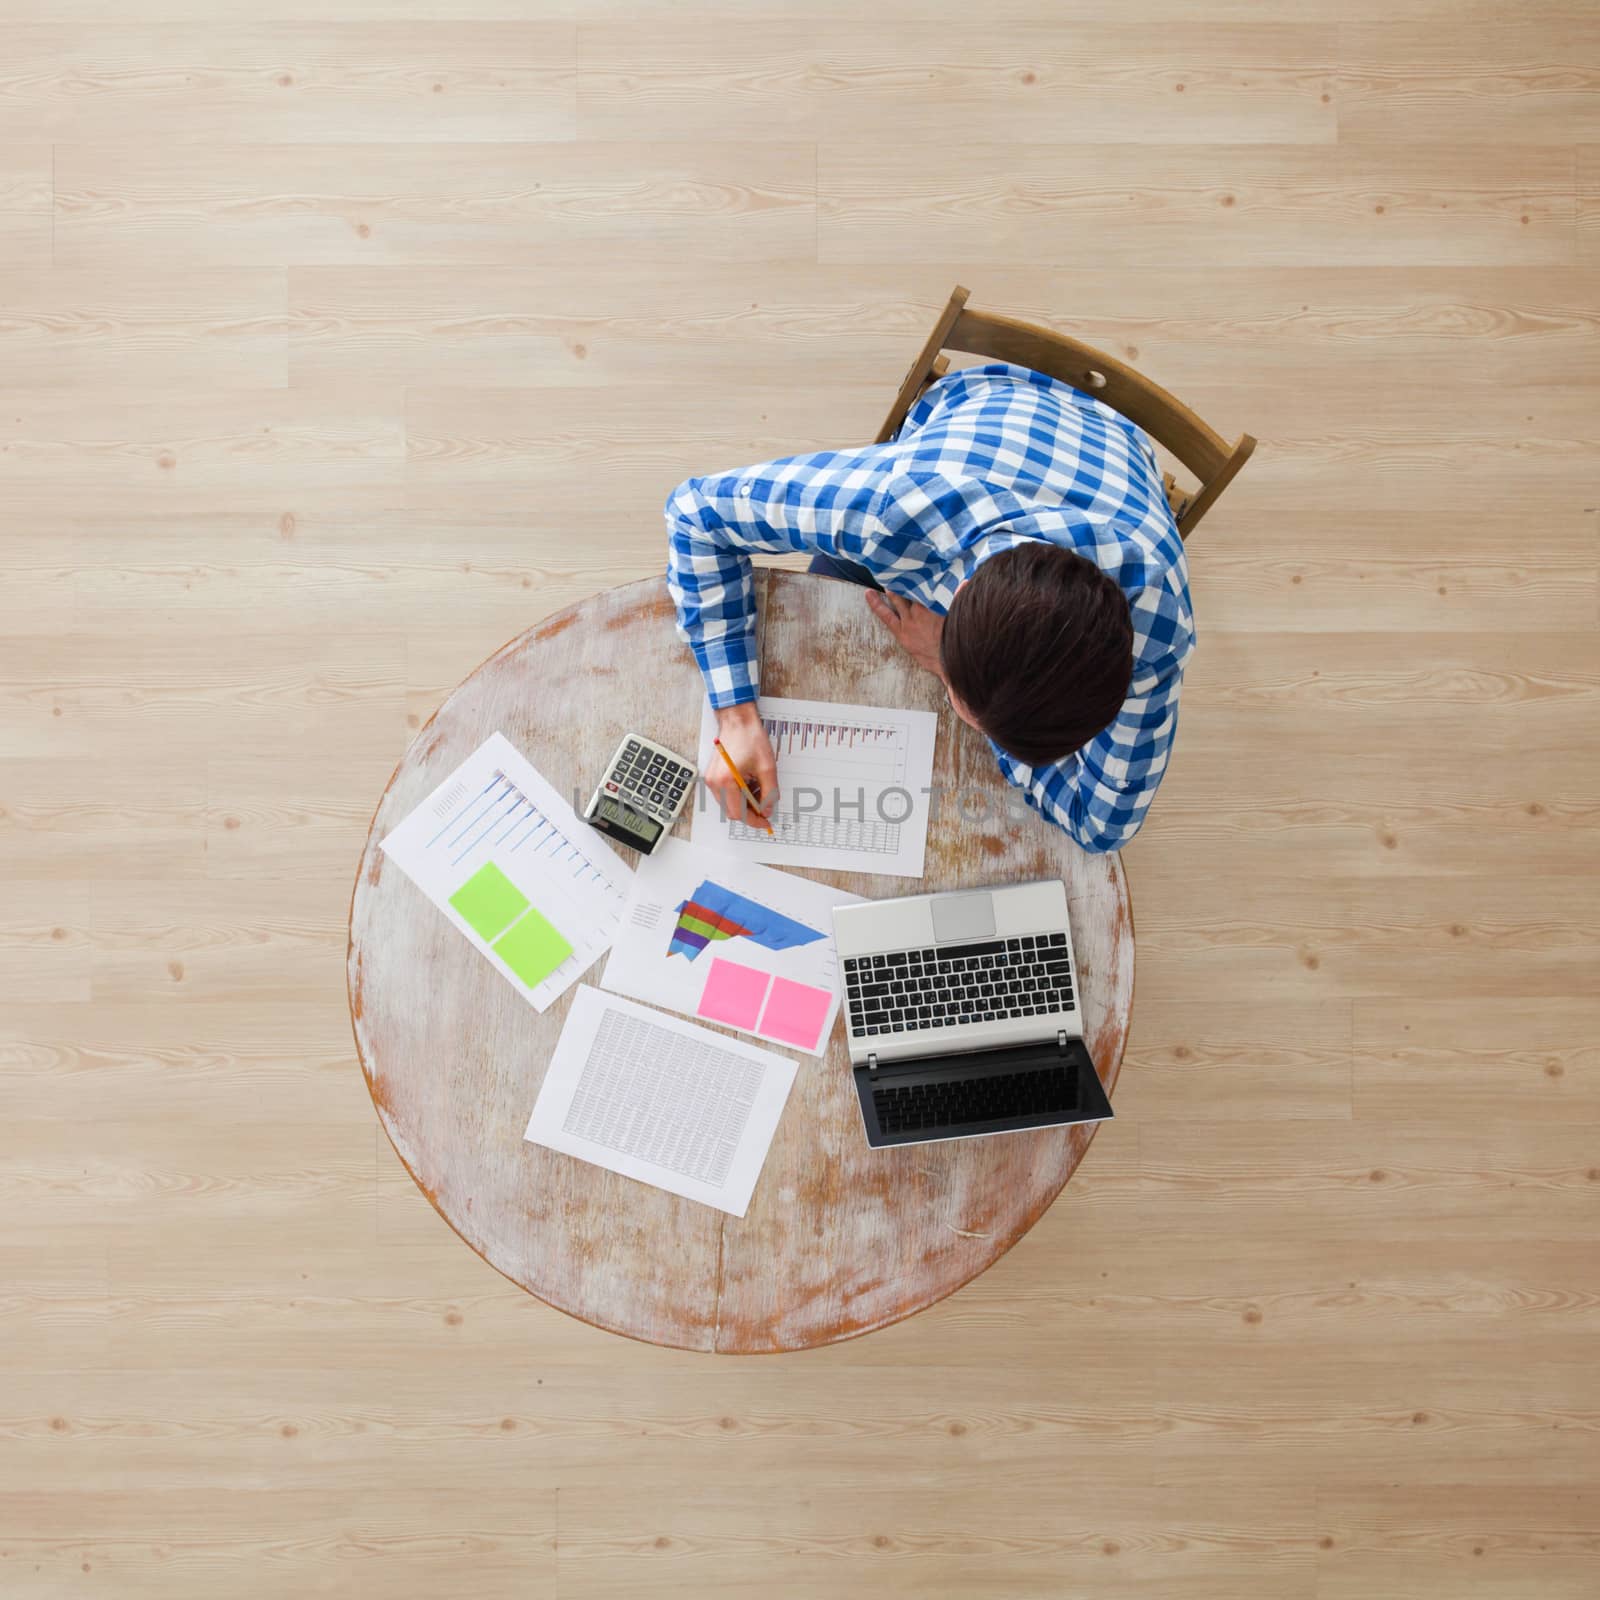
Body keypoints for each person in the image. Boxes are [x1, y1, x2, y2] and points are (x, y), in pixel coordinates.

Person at [664, 361, 1194, 854]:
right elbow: (693, 513)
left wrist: (948, 662)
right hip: (988, 404)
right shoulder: (890, 505)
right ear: (958, 595)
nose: (963, 712)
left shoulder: (1157, 633)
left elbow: (1099, 826)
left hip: (1113, 465)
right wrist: (734, 716)